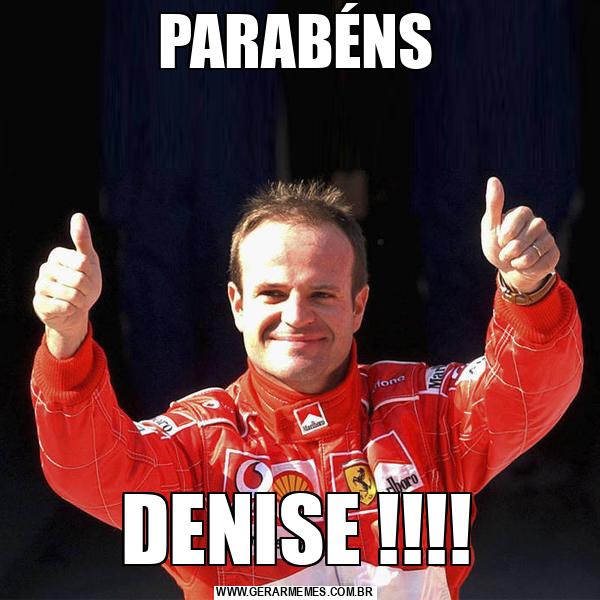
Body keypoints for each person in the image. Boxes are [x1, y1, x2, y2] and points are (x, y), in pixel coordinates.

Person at [31, 178, 582, 599]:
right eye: (272, 293)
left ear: (358, 306)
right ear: (237, 305)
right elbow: (88, 468)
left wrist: (528, 290)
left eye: (322, 294)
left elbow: (529, 391)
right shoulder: (198, 444)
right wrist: (66, 340)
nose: (296, 316)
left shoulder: (427, 409)